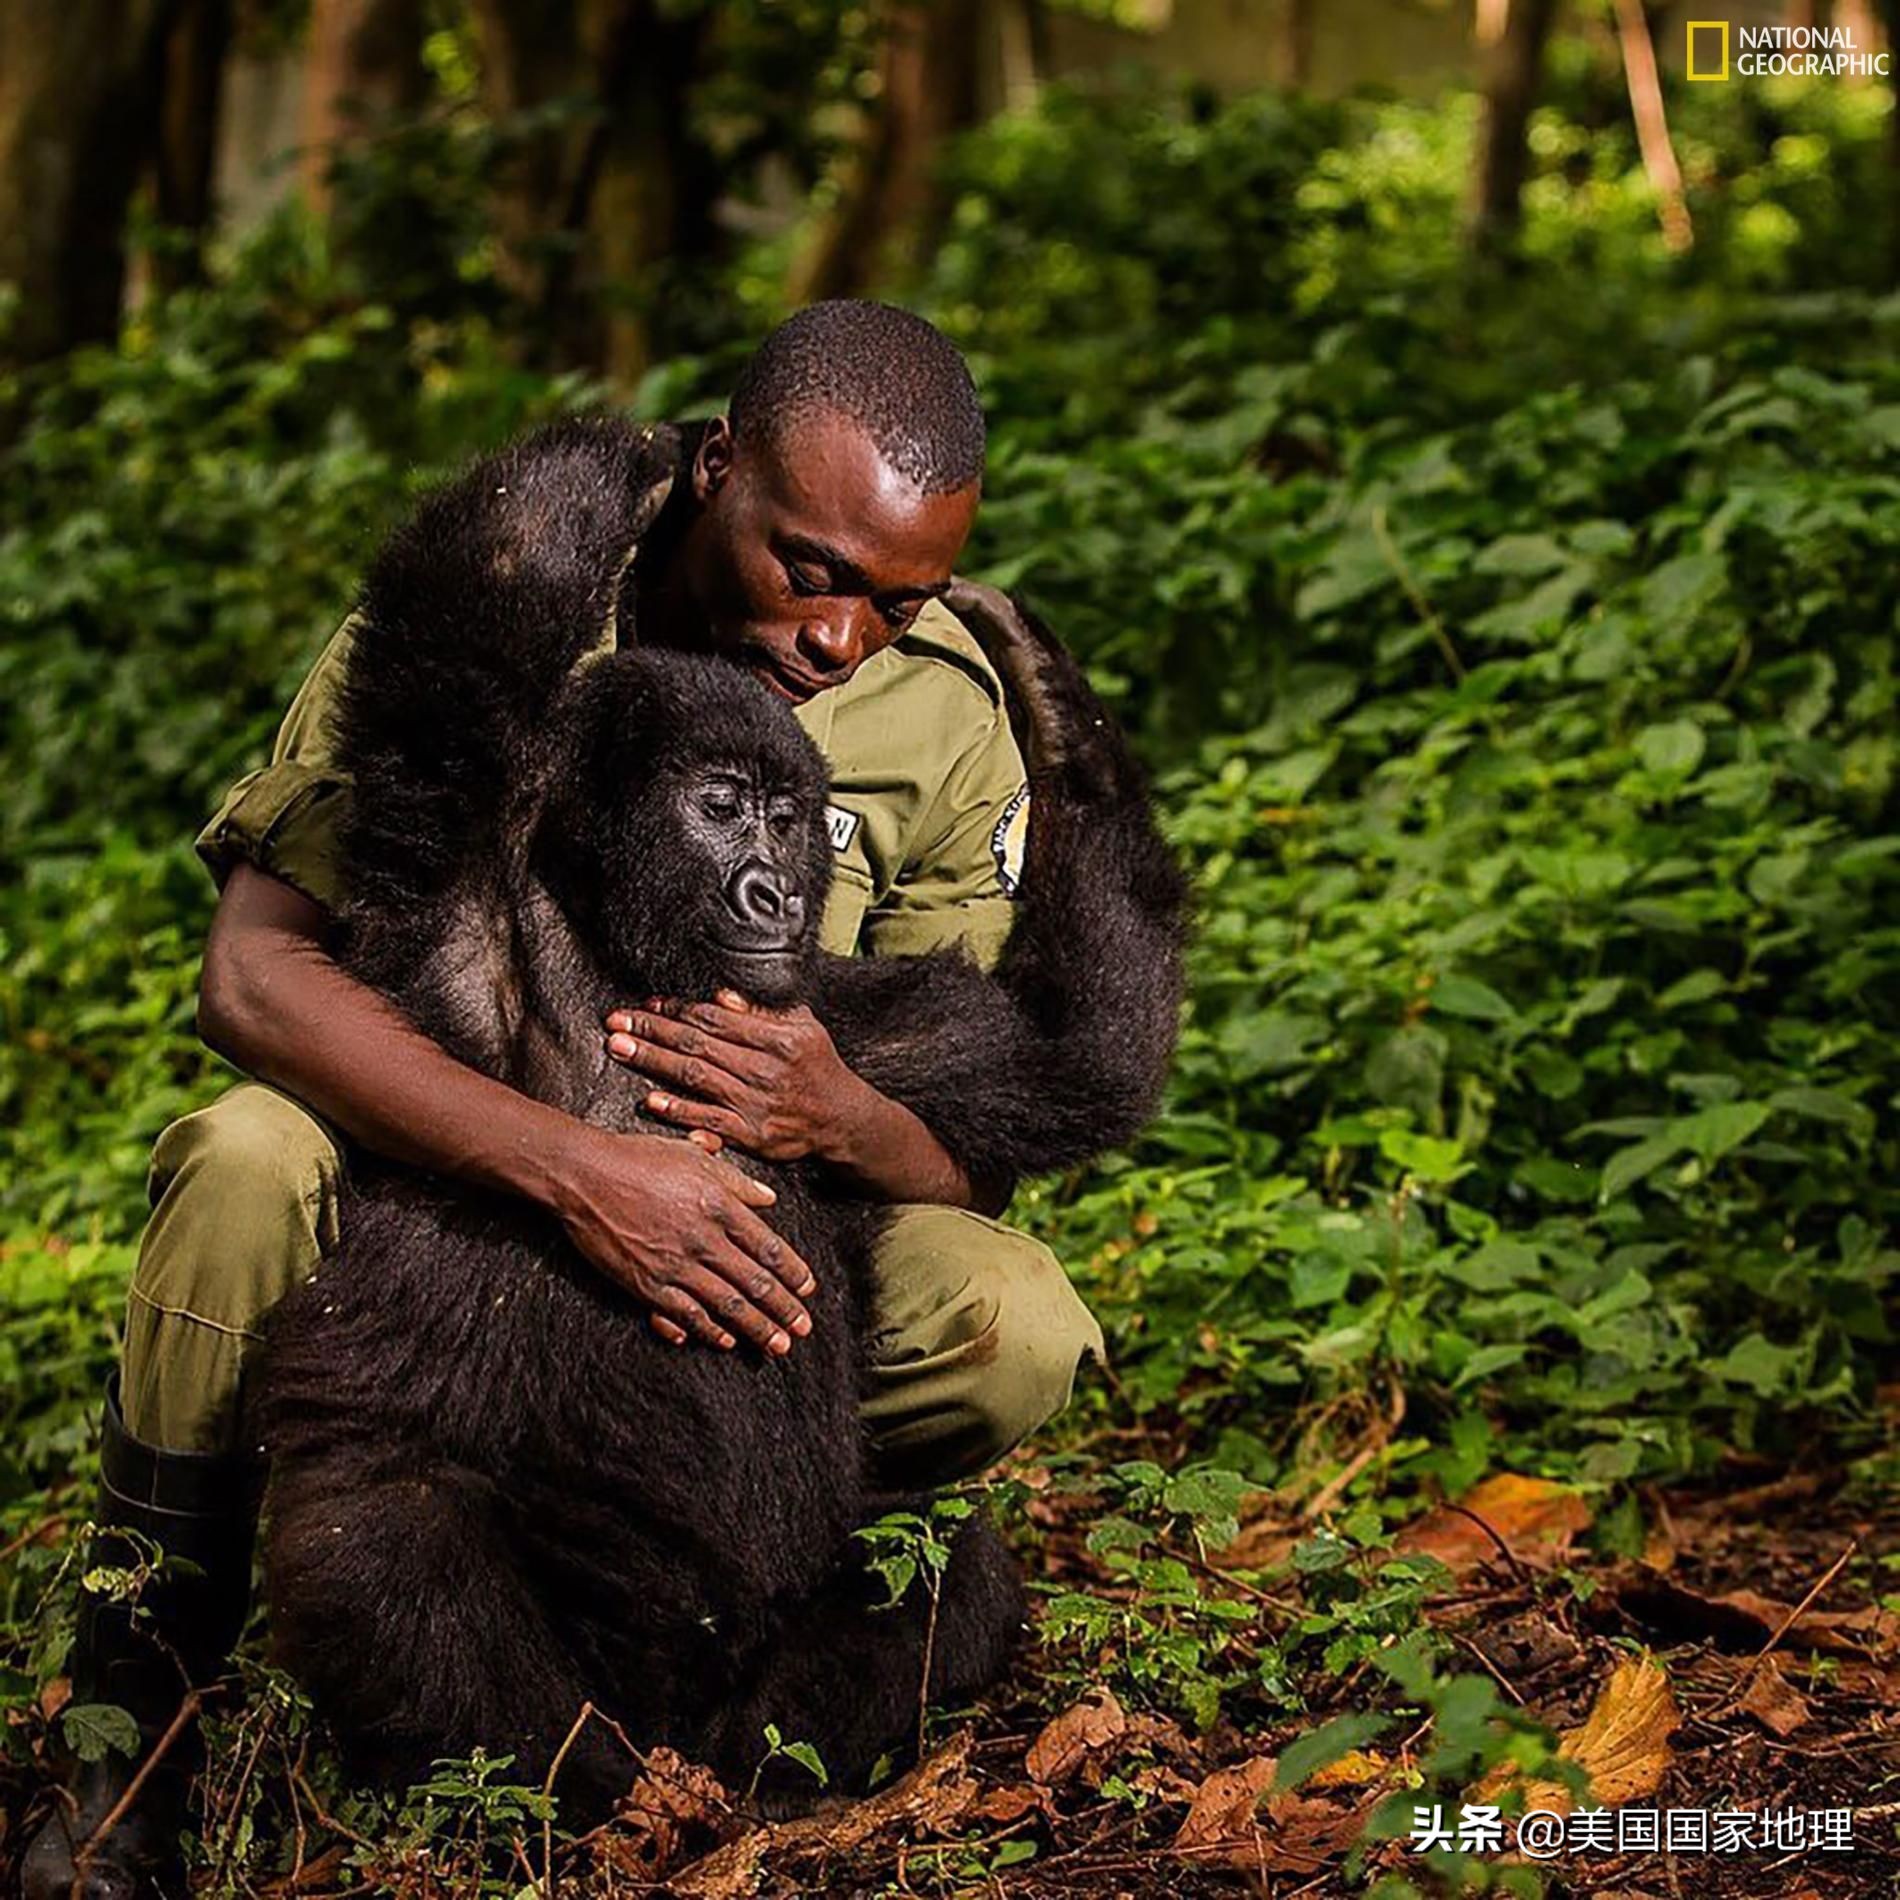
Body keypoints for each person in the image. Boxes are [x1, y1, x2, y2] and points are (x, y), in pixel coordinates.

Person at [23, 300, 1106, 1899]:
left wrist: (843, 1111)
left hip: (753, 1247)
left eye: (900, 599)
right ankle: (130, 1736)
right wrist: (573, 1168)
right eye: (808, 569)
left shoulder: (945, 705)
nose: (838, 640)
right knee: (246, 1162)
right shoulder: (522, 602)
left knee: (1013, 1316)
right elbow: (257, 976)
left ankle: (687, 1598)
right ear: (718, 469)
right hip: (452, 1154)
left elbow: (982, 1123)